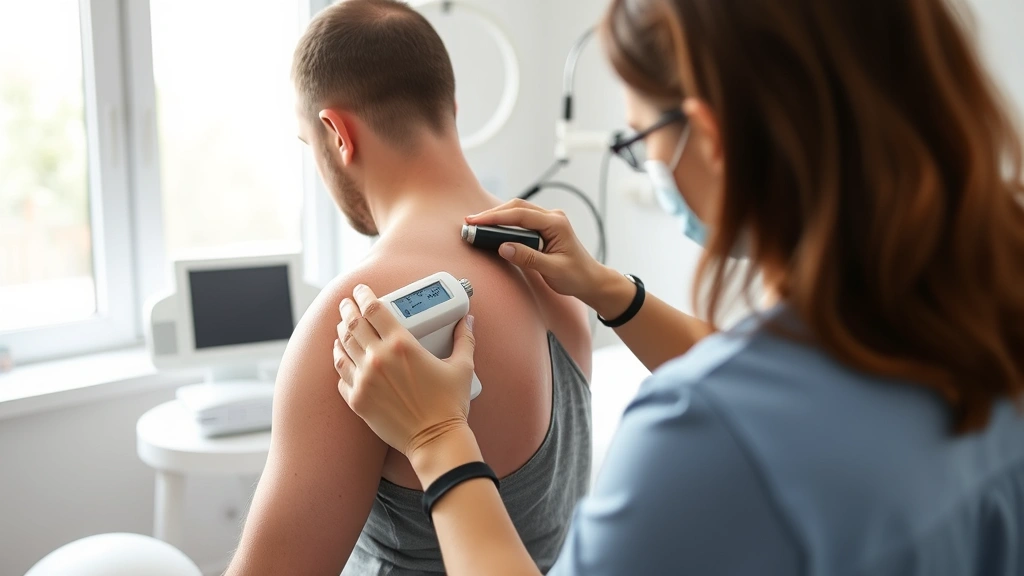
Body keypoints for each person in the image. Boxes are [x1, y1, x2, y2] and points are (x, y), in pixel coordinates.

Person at [331, 0, 1024, 574]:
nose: (648, 165)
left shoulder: (701, 435)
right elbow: (797, 391)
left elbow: (750, 412)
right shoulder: (986, 304)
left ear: (712, 136)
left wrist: (440, 441)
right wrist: (616, 295)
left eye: (640, 141)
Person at [225, 1, 593, 574]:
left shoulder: (358, 320)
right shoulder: (560, 272)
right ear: (450, 107)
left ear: (336, 133)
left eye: (308, 146)